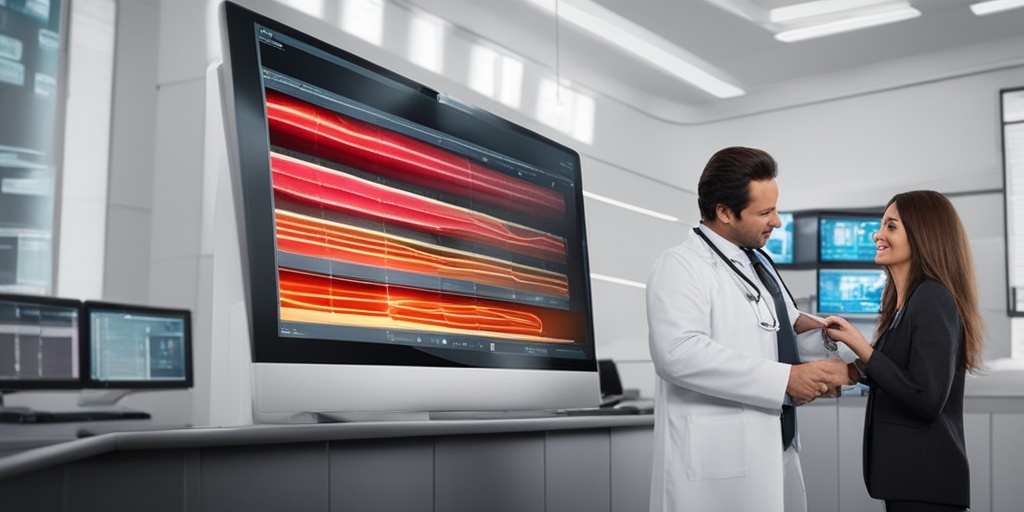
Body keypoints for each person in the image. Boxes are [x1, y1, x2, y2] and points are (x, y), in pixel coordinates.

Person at [646, 146, 851, 512]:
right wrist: (784, 379)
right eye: (765, 212)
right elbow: (677, 353)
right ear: (724, 212)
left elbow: (776, 329)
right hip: (719, 458)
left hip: (776, 443)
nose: (777, 222)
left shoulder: (757, 263)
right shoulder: (681, 265)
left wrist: (819, 334)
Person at [823, 190, 984, 512]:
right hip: (912, 480)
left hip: (926, 482)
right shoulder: (907, 302)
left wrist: (861, 347)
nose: (877, 235)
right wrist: (850, 371)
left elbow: (926, 398)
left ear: (923, 236)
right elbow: (902, 373)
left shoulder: (931, 298)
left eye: (891, 226)